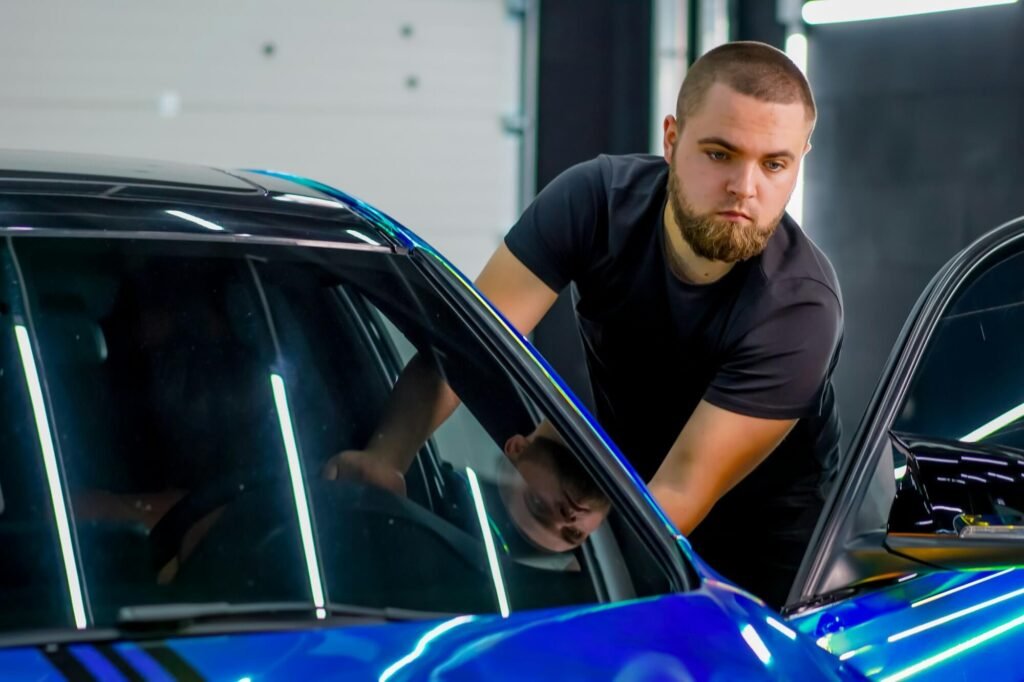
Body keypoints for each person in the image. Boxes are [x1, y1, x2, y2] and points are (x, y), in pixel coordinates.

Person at [324, 40, 842, 608]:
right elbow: (466, 346)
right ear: (671, 140)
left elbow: (680, 492)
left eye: (774, 164)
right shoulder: (596, 201)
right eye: (720, 154)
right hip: (637, 497)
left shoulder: (798, 308)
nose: (745, 187)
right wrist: (386, 458)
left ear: (800, 160)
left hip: (775, 557)